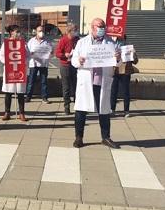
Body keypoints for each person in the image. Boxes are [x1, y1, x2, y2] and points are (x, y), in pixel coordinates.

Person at [71, 18, 120, 149]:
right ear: (92, 27)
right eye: (99, 26)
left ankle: (105, 137)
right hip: (86, 80)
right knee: (81, 110)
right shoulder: (82, 42)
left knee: (104, 111)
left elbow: (117, 63)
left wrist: (118, 58)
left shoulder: (110, 42)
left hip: (102, 81)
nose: (102, 28)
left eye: (103, 26)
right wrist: (79, 61)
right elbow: (74, 60)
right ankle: (79, 137)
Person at [0, 25, 29, 122]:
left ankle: (21, 113)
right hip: (10, 69)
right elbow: (1, 55)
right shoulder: (6, 43)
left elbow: (28, 55)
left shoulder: (23, 43)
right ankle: (7, 112)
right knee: (8, 92)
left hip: (20, 70)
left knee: (20, 92)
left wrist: (25, 62)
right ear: (11, 32)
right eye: (17, 31)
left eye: (19, 31)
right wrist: (6, 62)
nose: (18, 33)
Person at [110, 34, 138, 118]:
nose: (120, 41)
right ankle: (112, 109)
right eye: (119, 39)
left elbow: (136, 61)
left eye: (122, 39)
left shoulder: (129, 48)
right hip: (115, 71)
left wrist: (133, 55)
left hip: (125, 72)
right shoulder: (113, 47)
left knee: (126, 92)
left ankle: (126, 110)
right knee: (113, 91)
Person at [55, 23, 79, 114]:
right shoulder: (63, 40)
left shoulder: (77, 40)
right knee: (66, 87)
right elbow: (57, 53)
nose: (76, 32)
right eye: (75, 30)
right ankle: (67, 107)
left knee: (76, 86)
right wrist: (64, 55)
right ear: (69, 31)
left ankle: (77, 106)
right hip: (65, 65)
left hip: (75, 65)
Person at [26, 25, 53, 104]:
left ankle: (44, 97)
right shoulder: (31, 41)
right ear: (36, 32)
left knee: (44, 82)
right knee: (31, 81)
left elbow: (51, 52)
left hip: (43, 64)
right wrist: (31, 53)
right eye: (39, 31)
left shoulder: (47, 41)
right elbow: (27, 52)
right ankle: (28, 96)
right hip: (33, 64)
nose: (41, 33)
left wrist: (50, 53)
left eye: (42, 31)